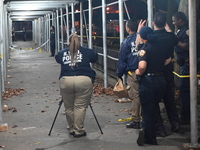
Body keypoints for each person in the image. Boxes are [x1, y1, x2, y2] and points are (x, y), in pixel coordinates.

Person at [55, 33, 98, 138]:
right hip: (83, 80)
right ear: (79, 42)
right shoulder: (86, 51)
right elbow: (95, 57)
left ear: (68, 42)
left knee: (69, 107)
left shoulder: (62, 53)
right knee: (80, 106)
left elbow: (57, 58)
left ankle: (71, 128)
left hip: (66, 80)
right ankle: (79, 130)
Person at [135, 26, 170, 146]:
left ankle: (149, 136)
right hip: (161, 80)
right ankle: (157, 130)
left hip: (148, 81)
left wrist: (138, 72)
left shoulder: (145, 49)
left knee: (148, 109)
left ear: (143, 37)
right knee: (154, 106)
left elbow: (142, 66)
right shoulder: (161, 46)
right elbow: (168, 59)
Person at [152, 12, 180, 136]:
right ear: (165, 24)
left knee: (154, 101)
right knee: (169, 100)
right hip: (168, 72)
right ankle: (175, 123)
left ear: (153, 23)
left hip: (155, 74)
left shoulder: (151, 37)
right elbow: (175, 38)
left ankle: (160, 128)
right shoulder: (170, 37)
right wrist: (168, 28)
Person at [116, 19, 141, 129]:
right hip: (144, 71)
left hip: (132, 72)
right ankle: (145, 116)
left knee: (135, 96)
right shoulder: (143, 39)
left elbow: (122, 59)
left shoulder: (126, 42)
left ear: (128, 28)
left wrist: (119, 74)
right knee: (144, 94)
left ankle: (136, 119)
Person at [172, 12, 190, 125]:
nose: (173, 23)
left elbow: (187, 46)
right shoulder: (181, 29)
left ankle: (185, 117)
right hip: (183, 63)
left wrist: (175, 41)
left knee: (185, 92)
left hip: (187, 65)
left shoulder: (187, 30)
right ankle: (185, 115)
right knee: (183, 91)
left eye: (175, 21)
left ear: (181, 20)